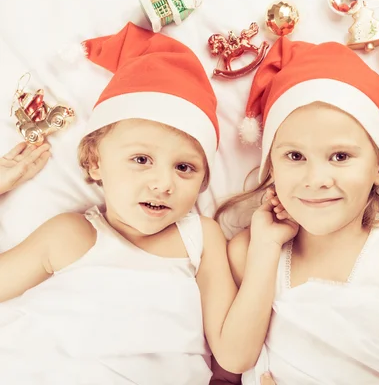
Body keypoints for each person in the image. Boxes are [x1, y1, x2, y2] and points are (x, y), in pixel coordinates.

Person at [0, 23, 272, 384]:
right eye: (141, 159)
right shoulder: (70, 235)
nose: (163, 184)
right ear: (95, 162)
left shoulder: (200, 239)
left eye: (184, 168)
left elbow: (232, 360)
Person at [213, 37, 379, 385]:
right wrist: (264, 251)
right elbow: (231, 365)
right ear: (271, 167)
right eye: (295, 157)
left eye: (340, 157)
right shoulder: (248, 251)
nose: (316, 179)